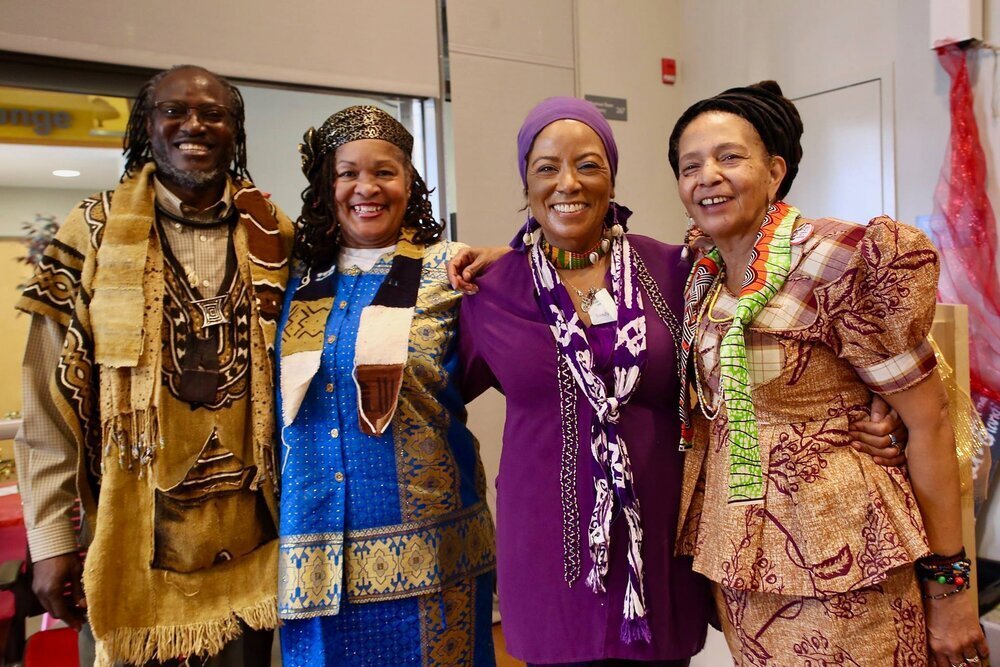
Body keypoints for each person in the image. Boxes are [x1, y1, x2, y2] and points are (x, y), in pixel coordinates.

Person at [449, 97, 909, 666]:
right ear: (526, 181)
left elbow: (784, 328)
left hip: (660, 538)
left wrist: (869, 407)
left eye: (588, 164)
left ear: (612, 177)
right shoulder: (490, 293)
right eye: (547, 167)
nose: (568, 182)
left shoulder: (679, 268)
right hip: (549, 547)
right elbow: (434, 397)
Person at [669, 81, 989, 667]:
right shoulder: (700, 272)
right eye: (690, 166)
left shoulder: (838, 257)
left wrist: (951, 595)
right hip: (742, 558)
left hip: (849, 556)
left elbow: (930, 424)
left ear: (775, 170)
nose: (707, 176)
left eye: (729, 157)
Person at [15, 65, 292, 666]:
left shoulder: (274, 234)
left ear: (234, 130)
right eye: (175, 111)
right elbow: (47, 403)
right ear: (148, 125)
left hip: (256, 549)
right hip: (126, 547)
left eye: (213, 113)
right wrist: (51, 540)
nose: (194, 124)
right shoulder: (94, 230)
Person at [275, 106, 496, 666]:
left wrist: (508, 257)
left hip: (433, 553)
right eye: (347, 173)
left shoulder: (452, 268)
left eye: (384, 172)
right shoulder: (291, 281)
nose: (365, 188)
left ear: (409, 183)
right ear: (326, 187)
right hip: (316, 559)